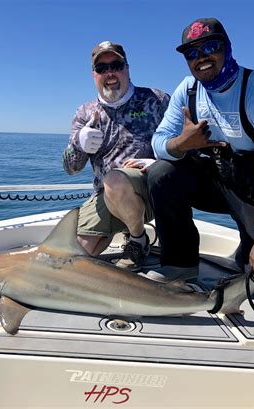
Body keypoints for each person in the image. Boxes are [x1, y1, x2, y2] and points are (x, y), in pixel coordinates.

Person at [146, 18, 254, 301]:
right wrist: (181, 144)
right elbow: (158, 143)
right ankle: (179, 266)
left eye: (210, 47)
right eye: (192, 53)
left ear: (227, 48)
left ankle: (250, 241)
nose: (201, 58)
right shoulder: (188, 90)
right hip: (215, 180)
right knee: (162, 173)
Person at [63, 41, 170, 269]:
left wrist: (158, 163)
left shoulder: (157, 100)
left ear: (127, 68)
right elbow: (71, 168)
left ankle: (137, 241)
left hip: (152, 193)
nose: (109, 72)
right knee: (72, 258)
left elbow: (182, 145)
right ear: (94, 74)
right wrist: (79, 144)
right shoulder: (85, 113)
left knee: (115, 179)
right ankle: (121, 229)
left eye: (116, 65)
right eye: (102, 68)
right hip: (107, 197)